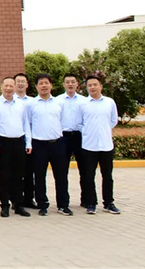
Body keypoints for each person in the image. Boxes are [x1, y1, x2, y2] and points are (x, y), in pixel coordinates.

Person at [25, 74, 71, 216]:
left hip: (57, 143)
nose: (44, 86)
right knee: (39, 176)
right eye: (41, 83)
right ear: (36, 86)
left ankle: (63, 205)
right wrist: (28, 143)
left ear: (51, 85)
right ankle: (42, 204)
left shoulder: (59, 103)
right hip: (39, 144)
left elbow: (63, 121)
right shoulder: (31, 104)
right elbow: (28, 124)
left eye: (46, 83)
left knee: (61, 176)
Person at [0, 77, 32, 218]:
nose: (8, 88)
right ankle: (4, 205)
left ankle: (18, 205)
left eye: (11, 86)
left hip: (19, 141)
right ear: (2, 87)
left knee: (19, 175)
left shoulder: (21, 104)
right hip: (3, 142)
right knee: (5, 175)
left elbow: (26, 124)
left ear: (15, 87)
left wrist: (28, 143)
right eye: (6, 86)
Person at [78, 76, 120, 215]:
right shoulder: (83, 104)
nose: (92, 87)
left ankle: (108, 203)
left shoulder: (109, 102)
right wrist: (89, 132)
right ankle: (91, 203)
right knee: (89, 176)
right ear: (86, 88)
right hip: (89, 146)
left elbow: (113, 120)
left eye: (95, 84)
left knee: (107, 176)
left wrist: (103, 130)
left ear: (100, 86)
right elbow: (79, 123)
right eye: (89, 85)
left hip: (106, 145)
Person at [58, 74, 88, 207]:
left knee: (85, 170)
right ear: (63, 84)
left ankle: (86, 200)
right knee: (62, 171)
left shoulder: (84, 101)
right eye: (67, 82)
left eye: (72, 82)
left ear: (77, 84)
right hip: (63, 137)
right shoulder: (57, 101)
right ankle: (63, 202)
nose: (70, 84)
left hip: (80, 137)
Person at [14, 72, 38, 209]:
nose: (20, 84)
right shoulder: (11, 100)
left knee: (29, 171)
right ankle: (16, 199)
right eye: (18, 81)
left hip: (31, 139)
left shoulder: (33, 101)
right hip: (16, 139)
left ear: (27, 84)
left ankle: (29, 198)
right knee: (16, 172)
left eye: (23, 81)